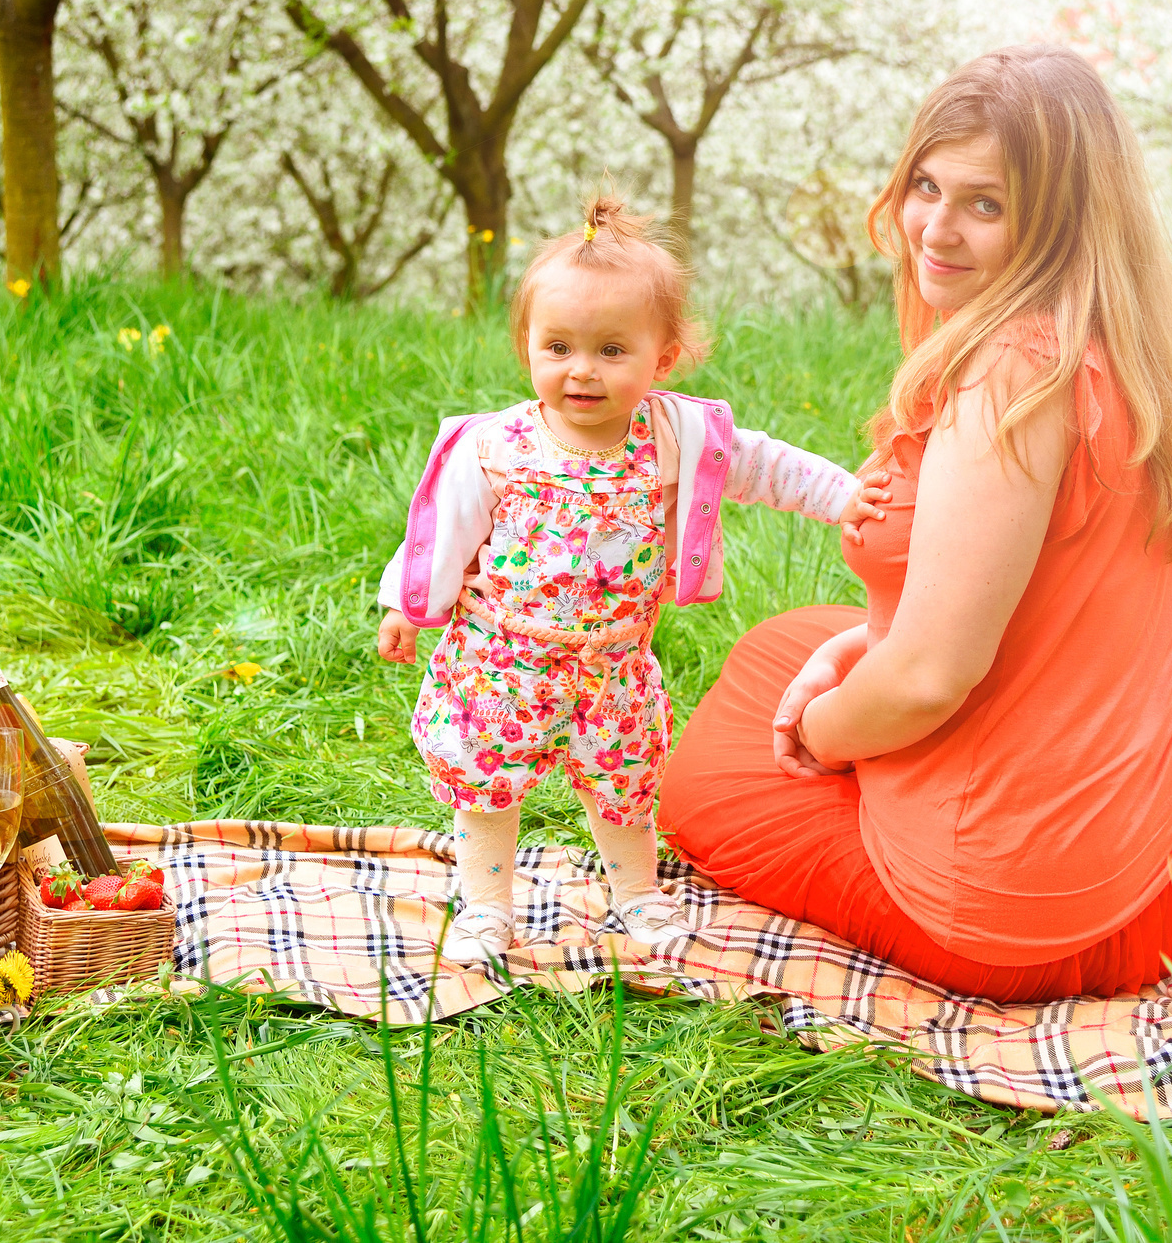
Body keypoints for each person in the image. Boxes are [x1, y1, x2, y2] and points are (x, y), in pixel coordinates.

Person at [657, 46, 1172, 1002]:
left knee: (708, 775)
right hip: (1168, 870)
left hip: (1019, 919)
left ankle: (887, 812)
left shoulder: (1013, 376)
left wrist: (825, 736)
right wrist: (847, 659)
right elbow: (1041, 605)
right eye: (926, 185)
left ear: (1059, 222)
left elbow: (929, 677)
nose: (935, 228)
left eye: (987, 205)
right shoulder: (1120, 338)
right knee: (787, 643)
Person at [376, 195, 887, 965]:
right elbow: (441, 529)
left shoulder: (676, 438)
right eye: (559, 346)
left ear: (663, 358)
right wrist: (408, 606)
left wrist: (844, 495)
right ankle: (486, 905)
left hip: (613, 662)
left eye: (613, 350)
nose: (582, 369)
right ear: (527, 345)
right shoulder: (496, 446)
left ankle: (637, 892)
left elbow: (766, 465)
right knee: (487, 789)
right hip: (501, 661)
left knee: (622, 784)